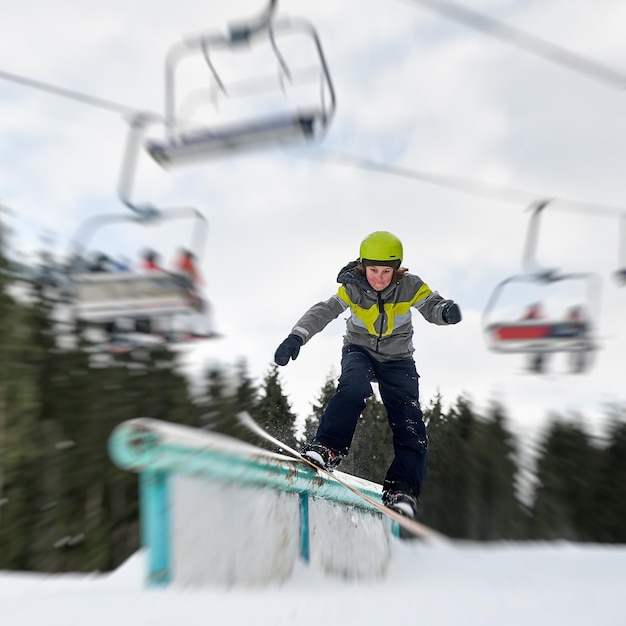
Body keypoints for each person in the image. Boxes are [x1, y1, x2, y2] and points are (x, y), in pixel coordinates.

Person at [273, 231, 461, 520]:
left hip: (398, 359)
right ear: (363, 266)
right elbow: (324, 311)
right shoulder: (352, 288)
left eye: (387, 271)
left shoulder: (410, 285)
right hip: (359, 350)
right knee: (352, 387)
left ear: (397, 270)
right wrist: (296, 337)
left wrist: (445, 311)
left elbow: (431, 304)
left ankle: (403, 488)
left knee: (409, 420)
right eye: (374, 270)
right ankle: (327, 448)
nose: (380, 278)